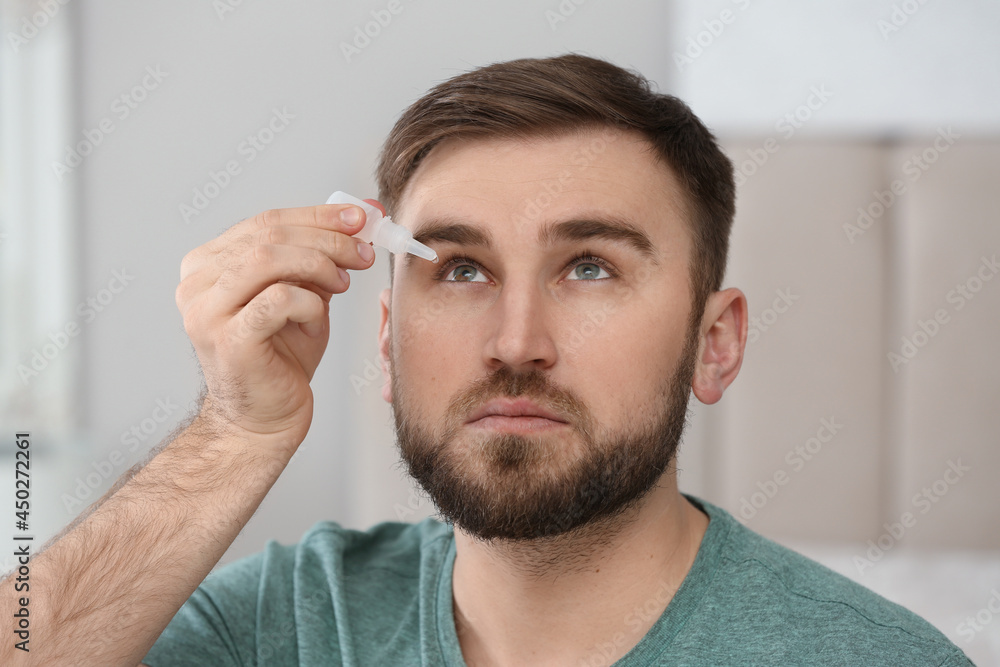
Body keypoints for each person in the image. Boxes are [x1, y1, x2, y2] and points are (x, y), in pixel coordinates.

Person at [1, 54, 972, 667]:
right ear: (384, 341)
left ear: (711, 344)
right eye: (459, 268)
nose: (515, 342)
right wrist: (233, 431)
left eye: (588, 267)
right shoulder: (292, 623)